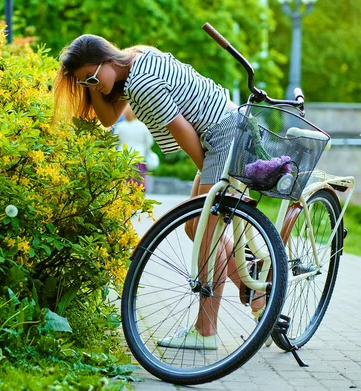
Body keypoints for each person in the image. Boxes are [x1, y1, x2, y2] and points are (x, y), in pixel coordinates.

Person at [53, 34, 264, 350]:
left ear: (108, 58)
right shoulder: (136, 58)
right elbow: (109, 118)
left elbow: (182, 131)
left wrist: (213, 182)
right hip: (222, 130)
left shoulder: (141, 83)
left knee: (205, 228)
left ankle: (206, 330)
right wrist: (93, 85)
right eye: (86, 82)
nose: (92, 85)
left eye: (92, 76)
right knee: (196, 227)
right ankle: (257, 285)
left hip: (222, 136)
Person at [114, 105, 156, 190]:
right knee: (138, 185)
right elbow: (149, 142)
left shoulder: (120, 126)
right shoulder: (143, 126)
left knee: (124, 185)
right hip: (139, 158)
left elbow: (115, 142)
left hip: (123, 159)